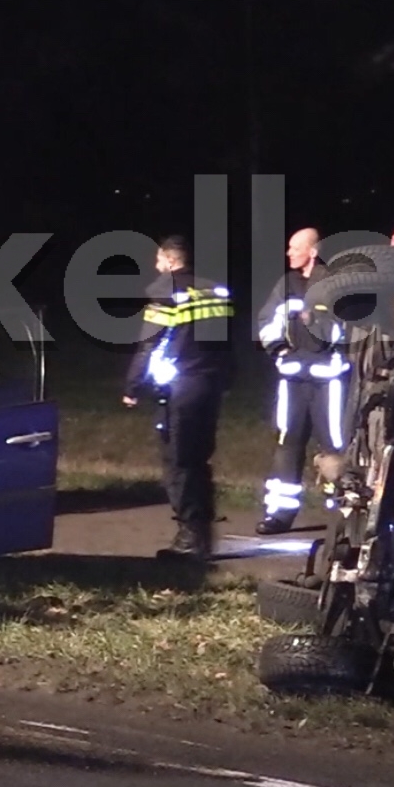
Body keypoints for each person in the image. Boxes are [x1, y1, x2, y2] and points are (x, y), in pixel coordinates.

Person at [124, 235, 236, 560]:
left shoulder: (165, 291)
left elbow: (149, 344)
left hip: (181, 387)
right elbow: (227, 342)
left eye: (159, 261)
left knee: (179, 462)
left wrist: (133, 387)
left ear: (172, 261)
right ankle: (204, 535)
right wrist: (228, 378)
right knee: (200, 459)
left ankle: (190, 537)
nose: (156, 267)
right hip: (211, 384)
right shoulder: (216, 290)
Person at [254, 227, 348, 534]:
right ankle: (280, 514)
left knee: (335, 448)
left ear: (312, 251)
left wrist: (318, 320)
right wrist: (279, 350)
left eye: (295, 248)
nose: (289, 253)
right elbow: (268, 321)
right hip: (293, 380)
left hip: (327, 382)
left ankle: (343, 517)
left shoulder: (333, 284)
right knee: (287, 444)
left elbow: (344, 330)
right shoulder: (287, 284)